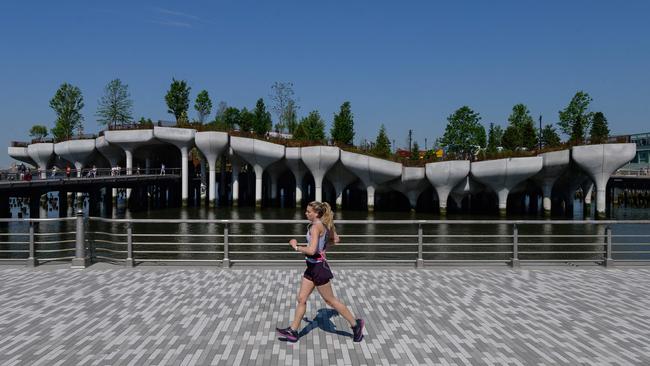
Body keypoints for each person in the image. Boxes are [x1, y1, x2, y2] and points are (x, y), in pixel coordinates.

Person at [276, 201, 365, 343]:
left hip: (318, 268)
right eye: (306, 211)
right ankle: (292, 331)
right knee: (301, 299)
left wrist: (296, 246)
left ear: (316, 213)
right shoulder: (325, 224)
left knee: (330, 300)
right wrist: (323, 247)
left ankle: (356, 325)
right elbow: (336, 239)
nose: (306, 213)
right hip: (311, 267)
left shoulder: (315, 227)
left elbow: (311, 250)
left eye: (308, 212)